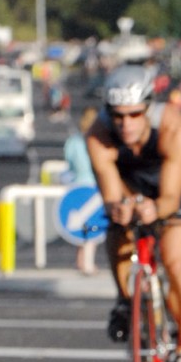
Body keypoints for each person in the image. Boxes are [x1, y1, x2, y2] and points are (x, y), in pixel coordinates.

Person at [87, 65, 181, 362]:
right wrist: (119, 207)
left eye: (135, 114)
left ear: (148, 107)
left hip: (170, 188)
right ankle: (125, 299)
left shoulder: (172, 127)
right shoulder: (98, 134)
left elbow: (168, 197)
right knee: (116, 227)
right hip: (128, 184)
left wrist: (157, 209)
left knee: (176, 260)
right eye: (118, 116)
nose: (126, 124)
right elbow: (109, 191)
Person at [64, 105, 99, 275]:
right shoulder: (98, 141)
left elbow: (69, 164)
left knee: (80, 226)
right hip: (94, 186)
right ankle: (88, 264)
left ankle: (80, 260)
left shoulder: (73, 142)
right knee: (92, 226)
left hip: (77, 185)